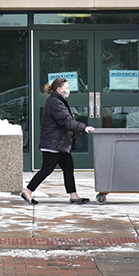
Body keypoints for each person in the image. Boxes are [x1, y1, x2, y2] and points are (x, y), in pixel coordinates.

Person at [21, 77, 94, 205]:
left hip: (59, 144)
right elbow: (66, 121)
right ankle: (27, 191)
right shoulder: (55, 102)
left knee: (68, 167)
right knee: (47, 169)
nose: (68, 90)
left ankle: (74, 195)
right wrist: (84, 127)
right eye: (66, 88)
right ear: (59, 89)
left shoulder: (58, 100)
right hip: (53, 144)